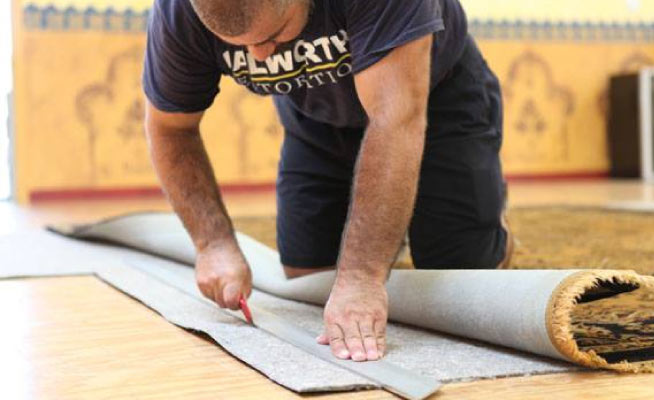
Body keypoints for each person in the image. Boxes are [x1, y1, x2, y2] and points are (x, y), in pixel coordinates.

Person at [143, 0, 513, 363]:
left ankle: (491, 224)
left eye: (272, 36)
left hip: (431, 96)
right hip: (317, 115)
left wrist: (362, 276)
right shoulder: (176, 12)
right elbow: (171, 131)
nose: (258, 57)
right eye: (236, 45)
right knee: (311, 279)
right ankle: (390, 226)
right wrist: (212, 244)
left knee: (458, 268)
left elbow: (393, 122)